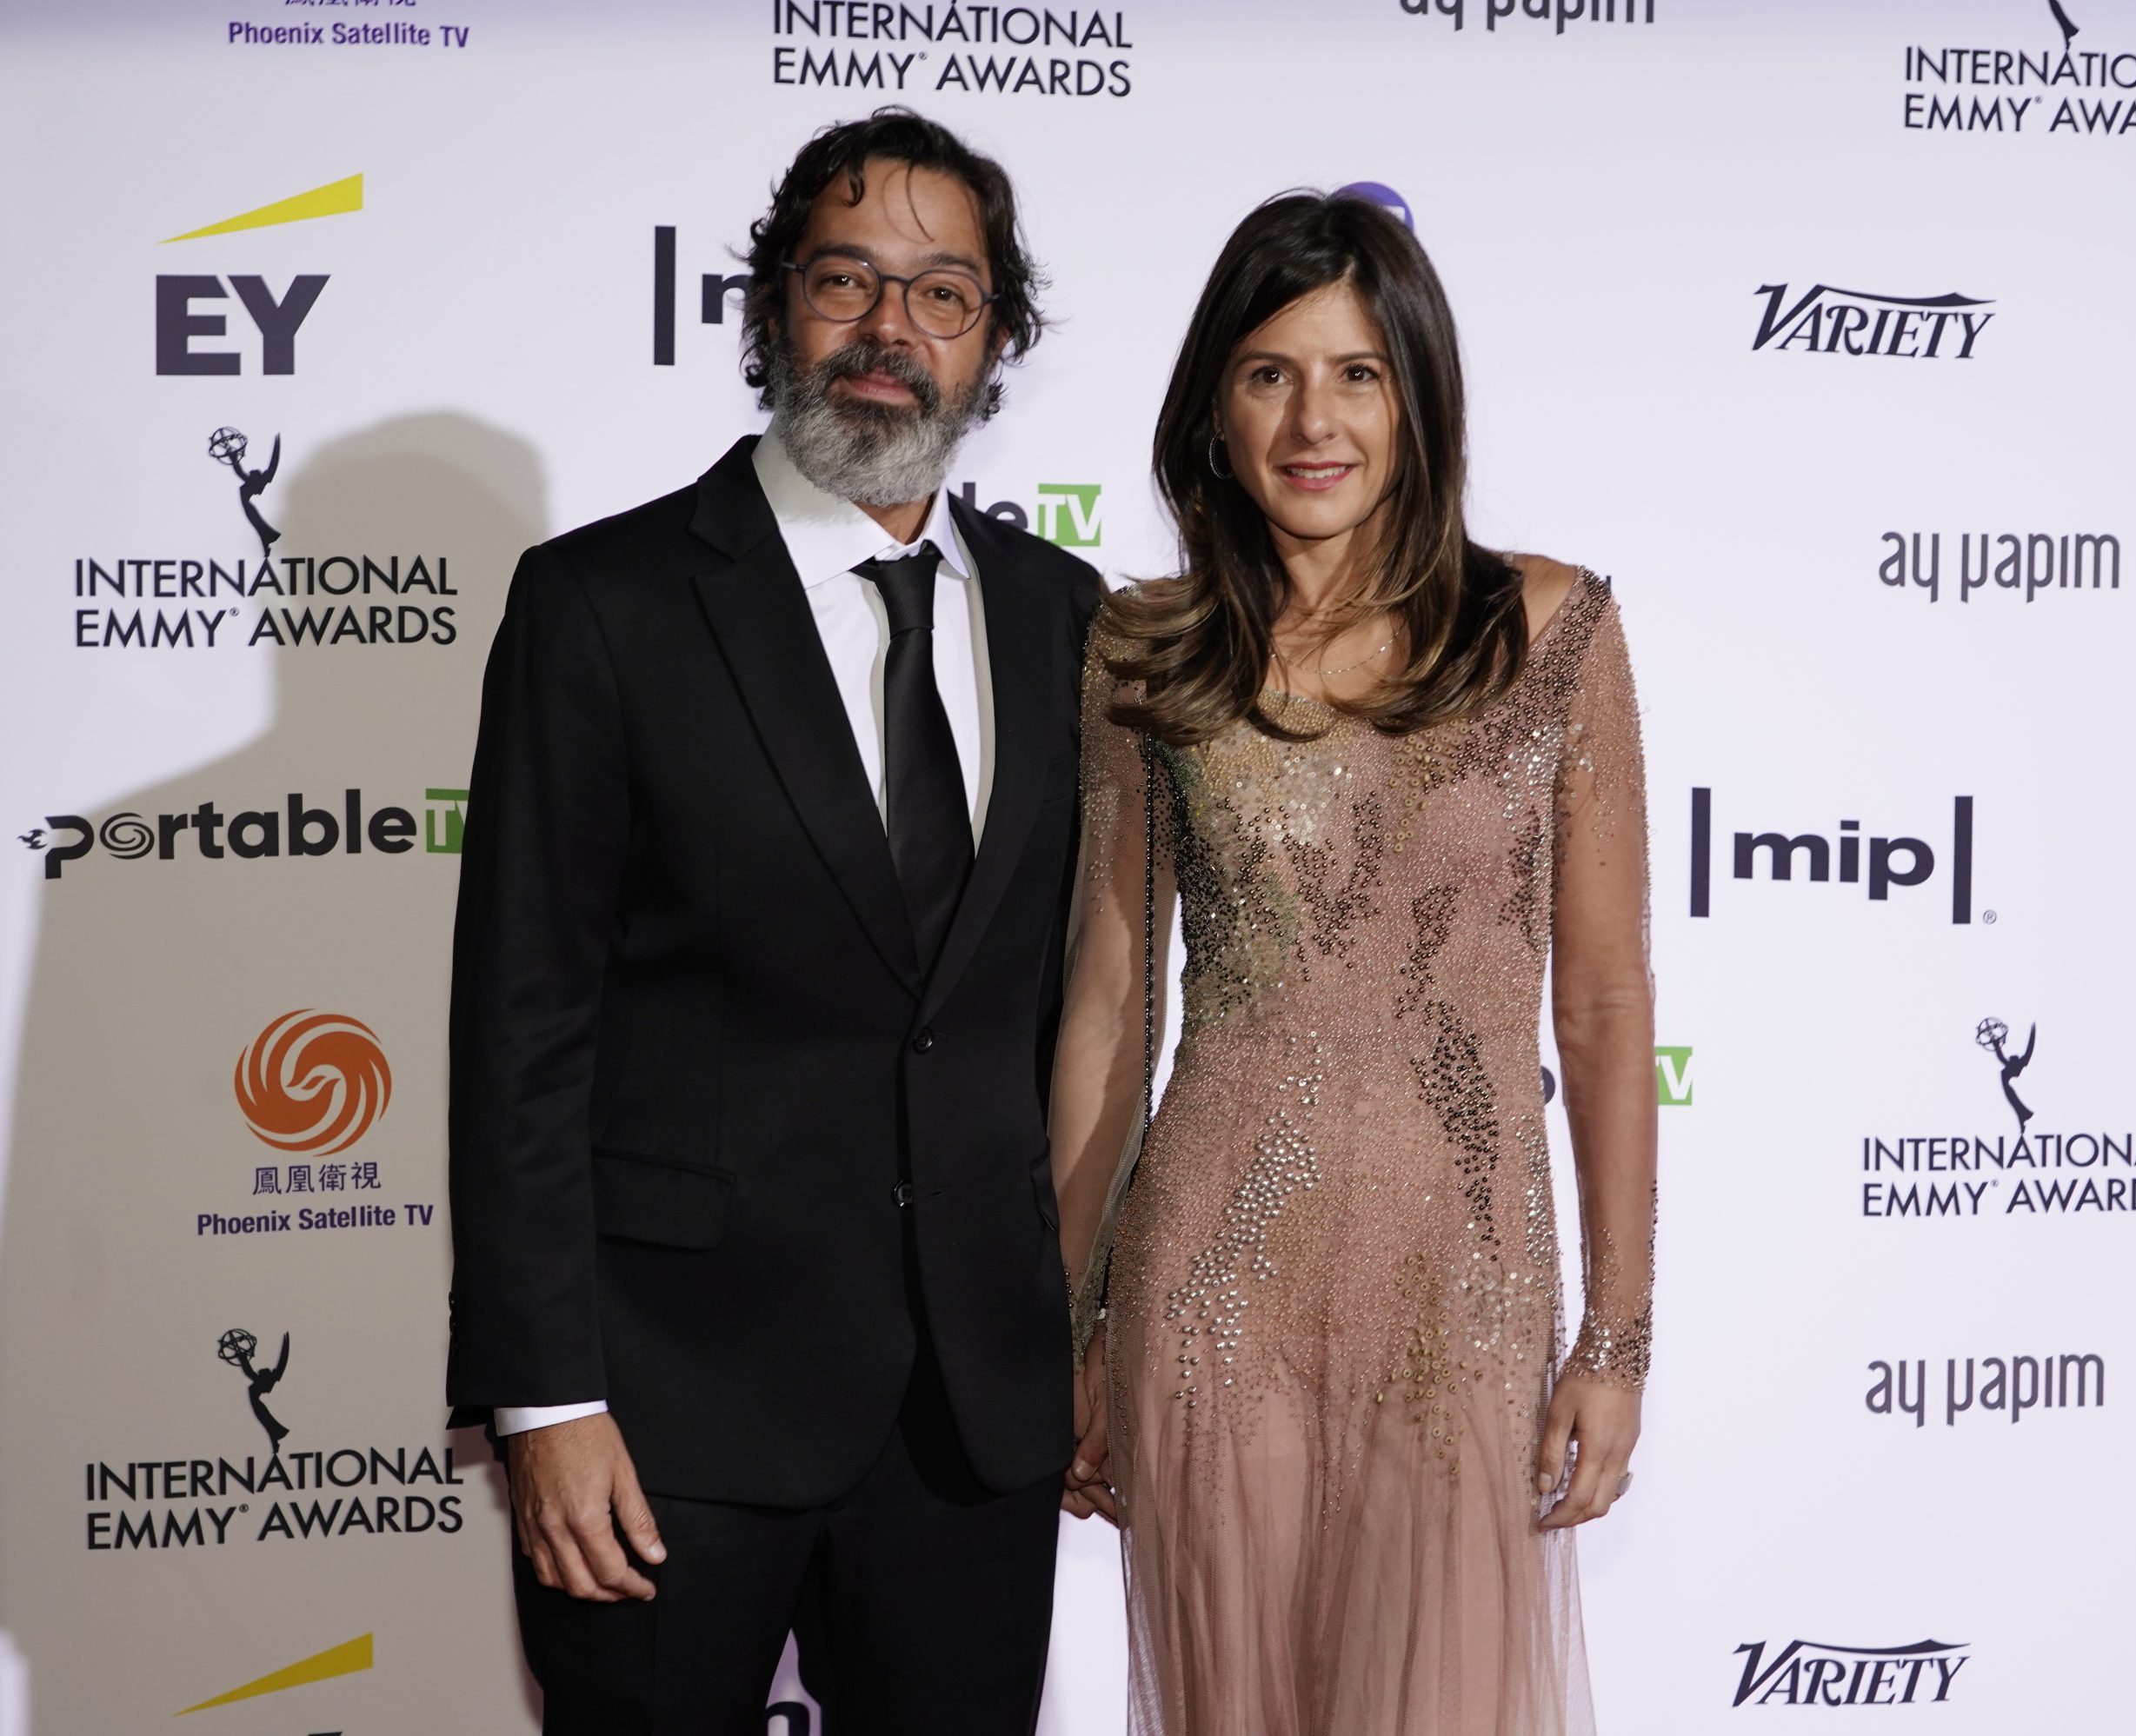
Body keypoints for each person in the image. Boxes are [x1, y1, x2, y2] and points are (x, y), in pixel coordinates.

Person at [446, 108, 1101, 1734]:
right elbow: (520, 1028)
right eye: (845, 281)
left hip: (970, 1428)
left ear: (995, 337)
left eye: (944, 293)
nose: (892, 330)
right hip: (664, 1419)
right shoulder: (601, 606)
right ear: (770, 309)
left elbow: (1055, 1015)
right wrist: (547, 1399)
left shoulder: (1067, 620)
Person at [1051, 193, 1658, 1733]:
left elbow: (1600, 1006)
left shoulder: (1551, 629)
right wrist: (1070, 1323)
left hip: (1459, 1281)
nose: (1312, 419)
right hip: (1212, 1281)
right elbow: (1112, 1008)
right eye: (1267, 374)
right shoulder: (1148, 645)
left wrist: (1618, 1338)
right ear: (1214, 407)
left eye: (1357, 374)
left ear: (1419, 395)